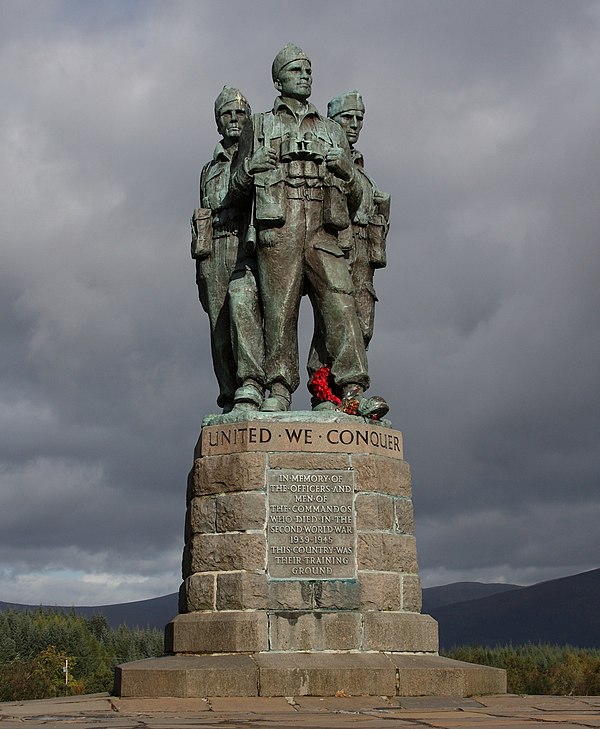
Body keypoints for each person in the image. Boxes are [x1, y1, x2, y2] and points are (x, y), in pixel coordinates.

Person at [233, 44, 387, 417]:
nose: (305, 75)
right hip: (279, 226)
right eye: (296, 70)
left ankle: (351, 388)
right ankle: (279, 388)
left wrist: (347, 172)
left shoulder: (331, 130)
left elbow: (359, 198)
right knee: (279, 310)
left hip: (323, 228)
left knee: (340, 303)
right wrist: (251, 167)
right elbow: (233, 190)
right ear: (277, 80)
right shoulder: (260, 125)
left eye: (308, 70)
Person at [307, 90, 390, 401]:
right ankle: (326, 391)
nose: (354, 124)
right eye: (347, 118)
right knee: (333, 321)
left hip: (363, 254)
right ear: (332, 121)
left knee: (362, 326)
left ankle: (340, 392)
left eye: (359, 119)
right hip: (334, 247)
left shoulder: (358, 166)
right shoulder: (325, 159)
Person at [192, 86, 264, 413]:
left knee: (242, 309)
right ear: (218, 123)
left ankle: (253, 386)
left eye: (239, 113)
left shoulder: (254, 155)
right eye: (227, 114)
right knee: (219, 333)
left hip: (244, 242)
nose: (234, 119)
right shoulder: (208, 169)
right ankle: (229, 397)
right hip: (214, 249)